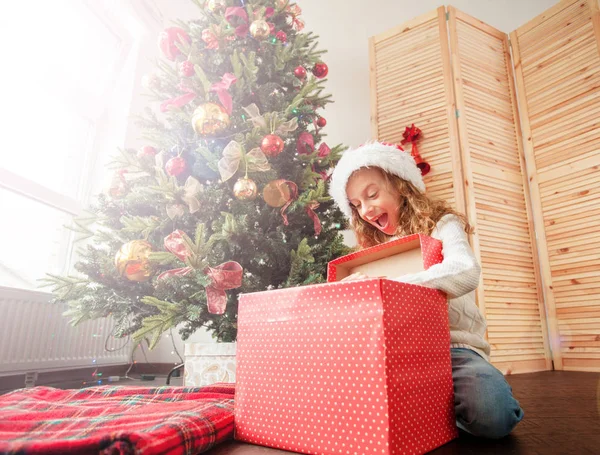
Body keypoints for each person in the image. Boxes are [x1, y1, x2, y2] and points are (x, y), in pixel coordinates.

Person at [329, 141, 524, 439]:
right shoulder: (372, 250)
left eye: (372, 195)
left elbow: (465, 271)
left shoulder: (441, 225)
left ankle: (444, 413)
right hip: (395, 355)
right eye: (356, 205)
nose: (366, 210)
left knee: (492, 414)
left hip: (453, 350)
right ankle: (431, 412)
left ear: (401, 186)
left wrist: (392, 286)